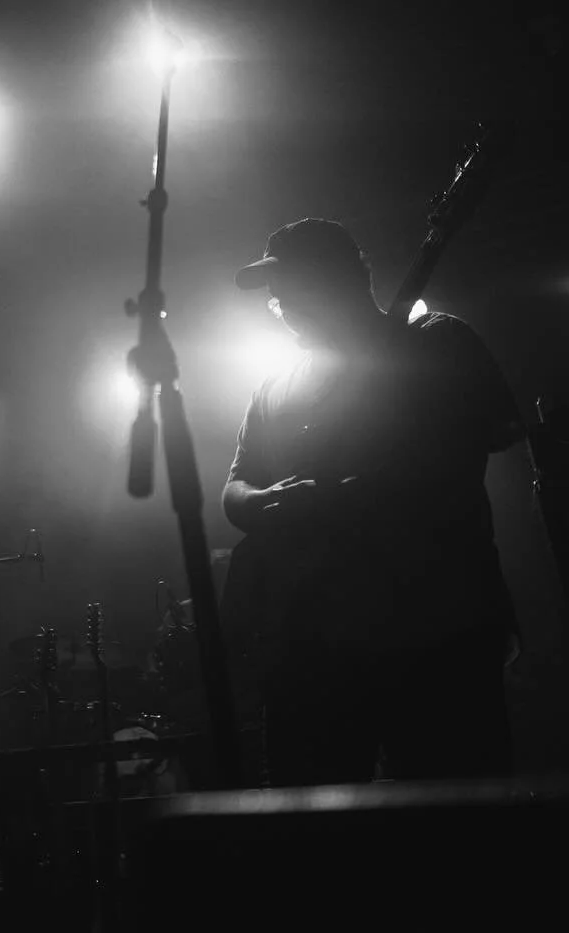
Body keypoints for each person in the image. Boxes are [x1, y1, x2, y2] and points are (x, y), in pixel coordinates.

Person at [219, 218, 522, 787]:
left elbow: (477, 442)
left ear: (338, 278)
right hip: (310, 641)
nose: (279, 299)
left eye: (291, 282)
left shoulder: (434, 340)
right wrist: (263, 504)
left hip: (433, 628)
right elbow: (236, 487)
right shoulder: (274, 384)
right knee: (314, 817)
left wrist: (330, 501)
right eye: (275, 288)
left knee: (455, 807)